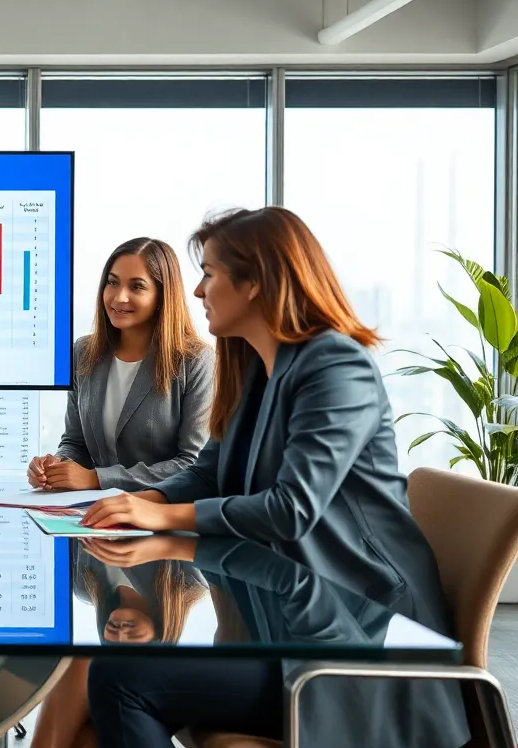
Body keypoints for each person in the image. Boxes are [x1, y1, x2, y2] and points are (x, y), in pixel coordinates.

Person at [79, 207, 468, 748]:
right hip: (285, 613)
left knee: (121, 678)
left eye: (210, 274)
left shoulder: (337, 367)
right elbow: (211, 472)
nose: (196, 291)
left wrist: (162, 515)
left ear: (255, 283)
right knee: (93, 676)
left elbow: (291, 508)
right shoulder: (255, 367)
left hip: (355, 638)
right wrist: (141, 500)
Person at [28, 237, 212, 494]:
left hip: (162, 515)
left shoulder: (195, 361)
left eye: (136, 287)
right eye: (112, 283)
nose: (118, 297)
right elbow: (75, 442)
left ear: (162, 295)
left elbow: (192, 464)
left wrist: (97, 479)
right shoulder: (84, 352)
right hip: (95, 516)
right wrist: (56, 467)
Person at [31, 542, 207, 748]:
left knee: (89, 735)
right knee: (86, 666)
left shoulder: (83, 583)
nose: (121, 635)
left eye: (112, 645)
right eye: (135, 646)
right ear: (164, 636)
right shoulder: (188, 580)